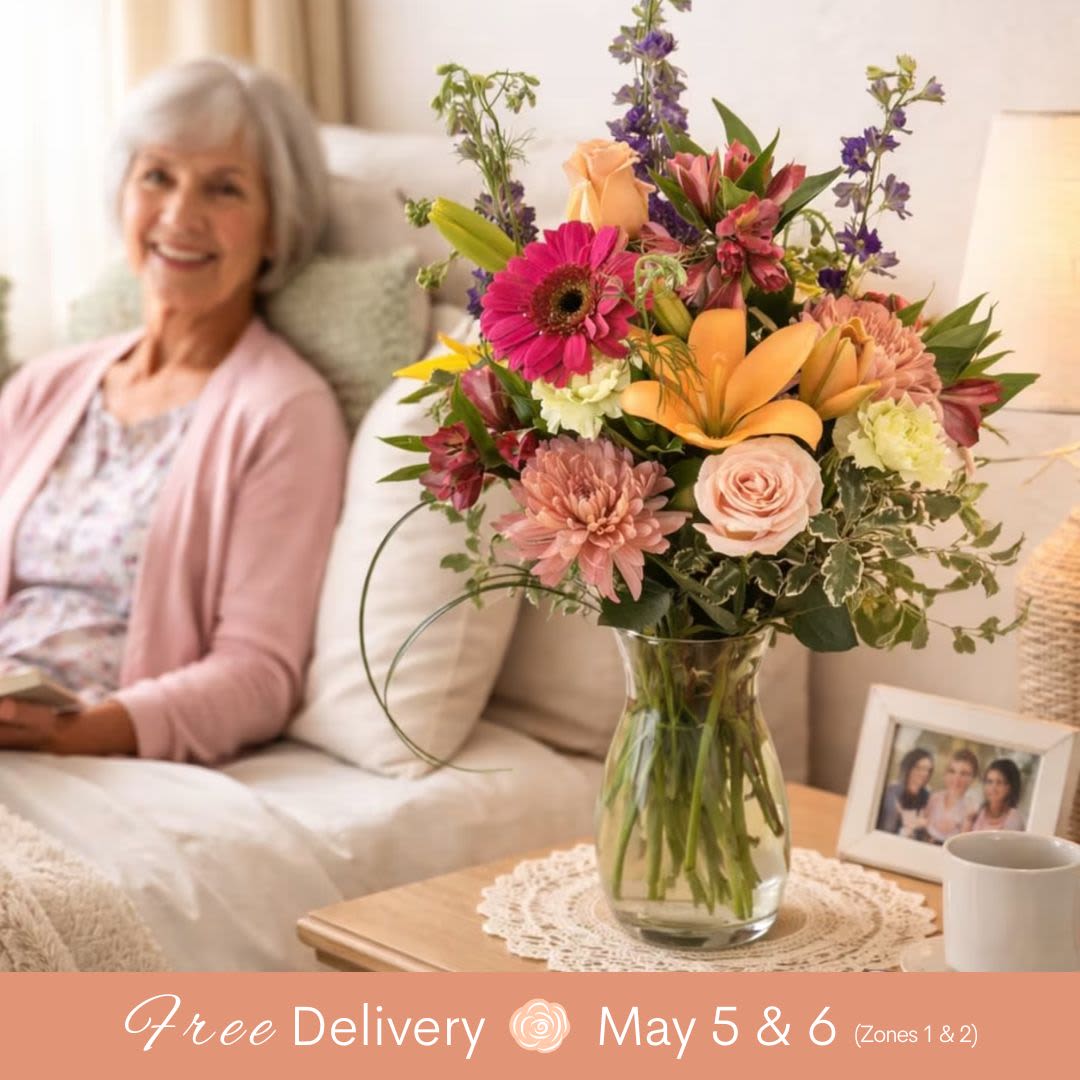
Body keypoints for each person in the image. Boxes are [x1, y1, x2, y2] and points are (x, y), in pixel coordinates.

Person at [0, 58, 347, 765]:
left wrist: (71, 734)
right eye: (157, 176)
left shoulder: (284, 413)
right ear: (123, 195)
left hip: (78, 746)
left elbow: (258, 673)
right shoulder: (45, 384)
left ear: (277, 227)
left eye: (224, 188)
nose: (179, 217)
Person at [924, 748, 979, 843]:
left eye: (964, 774)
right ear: (945, 774)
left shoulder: (972, 807)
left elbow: (963, 844)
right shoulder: (934, 798)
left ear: (972, 779)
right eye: (952, 771)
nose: (956, 778)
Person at [876, 747, 934, 837]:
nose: (924, 774)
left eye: (928, 770)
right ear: (908, 768)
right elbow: (887, 828)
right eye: (919, 768)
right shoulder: (892, 792)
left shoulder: (927, 795)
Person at [970, 758, 1026, 832]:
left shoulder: (1014, 818)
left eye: (999, 782)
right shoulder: (979, 812)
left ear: (1010, 788)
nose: (993, 788)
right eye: (989, 782)